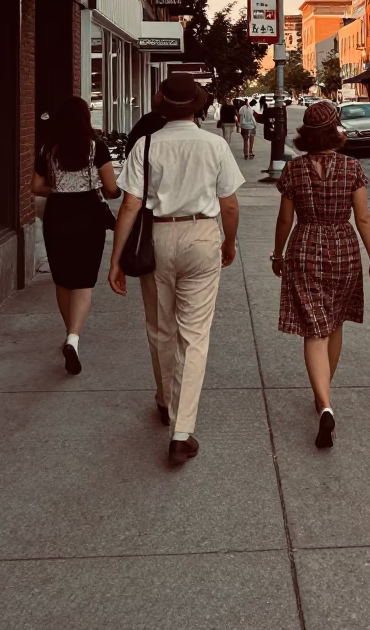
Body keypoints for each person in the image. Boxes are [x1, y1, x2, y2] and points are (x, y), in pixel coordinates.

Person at [108, 74, 244, 465]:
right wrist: (228, 241)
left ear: (163, 105)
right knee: (194, 335)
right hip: (202, 235)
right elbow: (230, 204)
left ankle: (166, 400)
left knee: (160, 327)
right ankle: (181, 432)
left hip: (159, 239)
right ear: (197, 106)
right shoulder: (215, 145)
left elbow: (130, 206)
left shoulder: (146, 144)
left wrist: (116, 258)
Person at [271, 100, 370, 449]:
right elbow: (363, 218)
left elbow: (285, 219)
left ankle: (324, 402)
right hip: (343, 247)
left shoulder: (294, 170)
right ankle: (324, 398)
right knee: (334, 322)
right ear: (335, 130)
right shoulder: (351, 168)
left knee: (312, 328)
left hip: (305, 245)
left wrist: (278, 253)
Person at [32, 96, 120, 375]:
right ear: (85, 117)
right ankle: (73, 338)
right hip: (88, 214)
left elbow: (36, 186)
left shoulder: (49, 147)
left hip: (58, 214)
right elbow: (111, 187)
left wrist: (59, 189)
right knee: (84, 279)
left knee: (63, 278)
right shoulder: (97, 147)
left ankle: (70, 334)